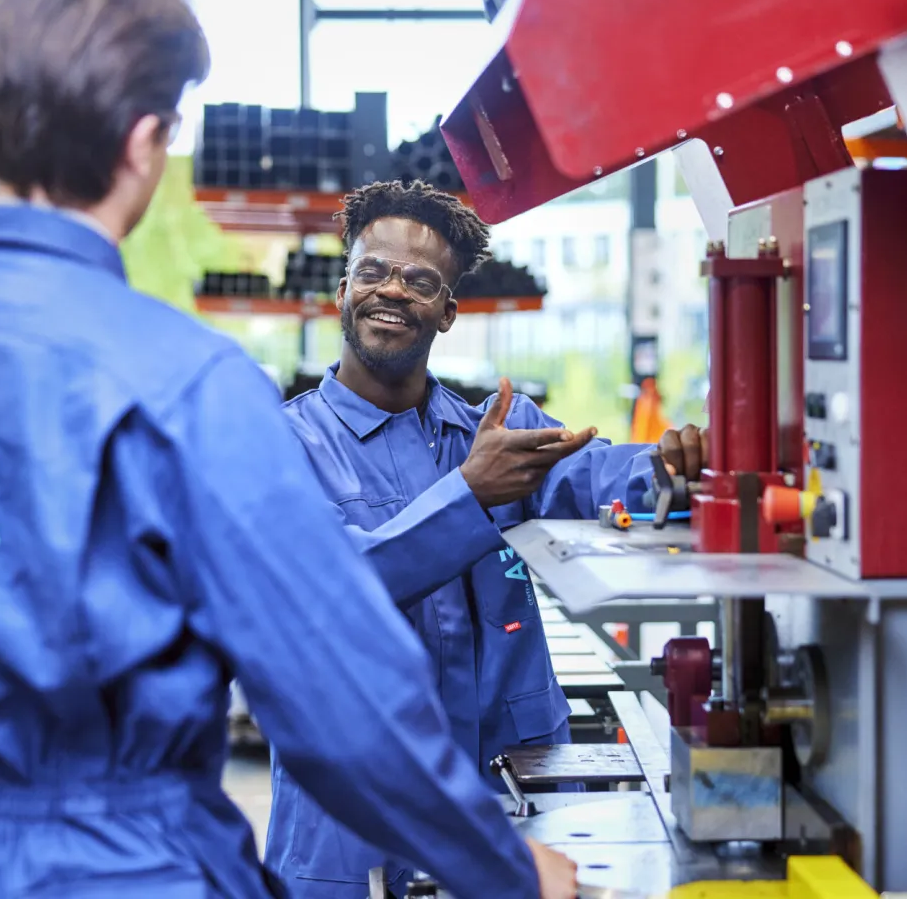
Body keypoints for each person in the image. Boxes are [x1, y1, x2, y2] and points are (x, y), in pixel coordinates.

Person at [0, 0, 579, 898]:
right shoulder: (185, 387)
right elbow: (331, 696)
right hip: (119, 866)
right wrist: (500, 865)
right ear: (146, 140)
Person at [264, 179, 706, 896]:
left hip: (507, 797)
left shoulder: (493, 430)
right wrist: (469, 494)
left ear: (447, 311)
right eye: (373, 271)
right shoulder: (283, 446)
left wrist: (675, 466)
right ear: (342, 289)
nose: (392, 291)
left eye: (420, 280)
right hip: (349, 824)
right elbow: (334, 587)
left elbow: (597, 477)